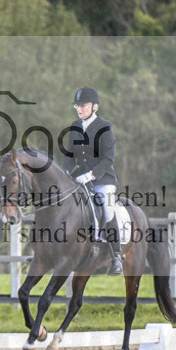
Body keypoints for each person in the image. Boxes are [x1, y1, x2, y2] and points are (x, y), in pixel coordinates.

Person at [60, 86, 123, 276]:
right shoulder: (75, 126)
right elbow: (69, 155)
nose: (79, 109)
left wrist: (91, 175)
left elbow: (108, 158)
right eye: (77, 106)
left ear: (95, 107)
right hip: (79, 178)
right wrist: (65, 172)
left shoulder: (105, 126)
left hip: (103, 179)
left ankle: (116, 256)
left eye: (83, 106)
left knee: (107, 208)